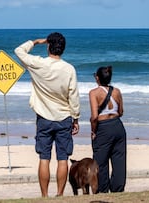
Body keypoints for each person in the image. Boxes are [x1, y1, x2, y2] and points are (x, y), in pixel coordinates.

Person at [15, 32, 80, 197]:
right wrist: (76, 118)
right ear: (63, 49)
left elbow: (19, 51)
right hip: (64, 117)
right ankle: (59, 194)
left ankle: (44, 196)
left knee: (44, 158)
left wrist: (36, 42)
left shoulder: (38, 64)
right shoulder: (69, 69)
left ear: (49, 46)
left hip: (43, 117)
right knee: (63, 158)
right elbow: (73, 96)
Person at [89, 66, 126, 193]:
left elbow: (94, 117)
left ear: (97, 78)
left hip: (103, 127)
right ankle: (117, 188)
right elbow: (120, 112)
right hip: (118, 125)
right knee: (119, 159)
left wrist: (93, 131)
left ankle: (103, 188)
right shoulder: (117, 91)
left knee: (101, 160)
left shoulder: (94, 93)